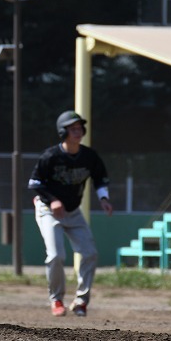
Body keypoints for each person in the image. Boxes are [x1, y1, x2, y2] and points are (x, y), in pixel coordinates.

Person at [27, 110, 113, 317]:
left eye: (79, 128)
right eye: (72, 128)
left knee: (90, 253)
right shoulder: (51, 156)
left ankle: (81, 301)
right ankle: (56, 299)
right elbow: (34, 183)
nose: (78, 131)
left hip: (73, 212)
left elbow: (100, 179)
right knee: (56, 255)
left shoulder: (89, 156)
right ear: (62, 132)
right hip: (48, 210)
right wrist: (53, 200)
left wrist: (104, 199)